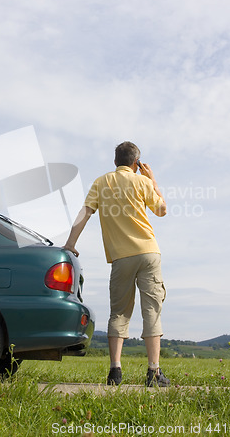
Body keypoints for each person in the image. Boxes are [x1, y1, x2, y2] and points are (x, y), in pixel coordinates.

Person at [64, 141, 170, 387]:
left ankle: (115, 371)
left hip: (121, 257)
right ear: (136, 163)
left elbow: (85, 213)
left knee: (119, 313)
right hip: (149, 253)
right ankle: (153, 372)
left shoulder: (101, 182)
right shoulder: (142, 181)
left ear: (115, 162)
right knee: (152, 311)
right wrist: (152, 179)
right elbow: (162, 210)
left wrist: (70, 243)